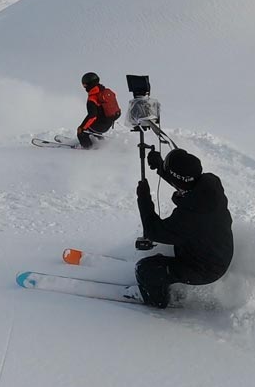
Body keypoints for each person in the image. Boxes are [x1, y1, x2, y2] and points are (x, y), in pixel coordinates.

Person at [132, 148, 234, 309]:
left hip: (206, 269)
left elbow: (153, 231)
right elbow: (186, 179)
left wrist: (144, 199)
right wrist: (161, 167)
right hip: (216, 251)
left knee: (146, 269)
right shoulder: (209, 184)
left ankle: (156, 302)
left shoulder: (191, 217)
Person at [76, 72, 121, 149]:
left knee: (81, 132)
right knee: (93, 128)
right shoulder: (106, 92)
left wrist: (82, 128)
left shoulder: (92, 98)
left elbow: (92, 116)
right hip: (109, 122)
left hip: (100, 125)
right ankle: (101, 144)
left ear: (88, 84)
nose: (84, 87)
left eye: (84, 85)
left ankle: (88, 148)